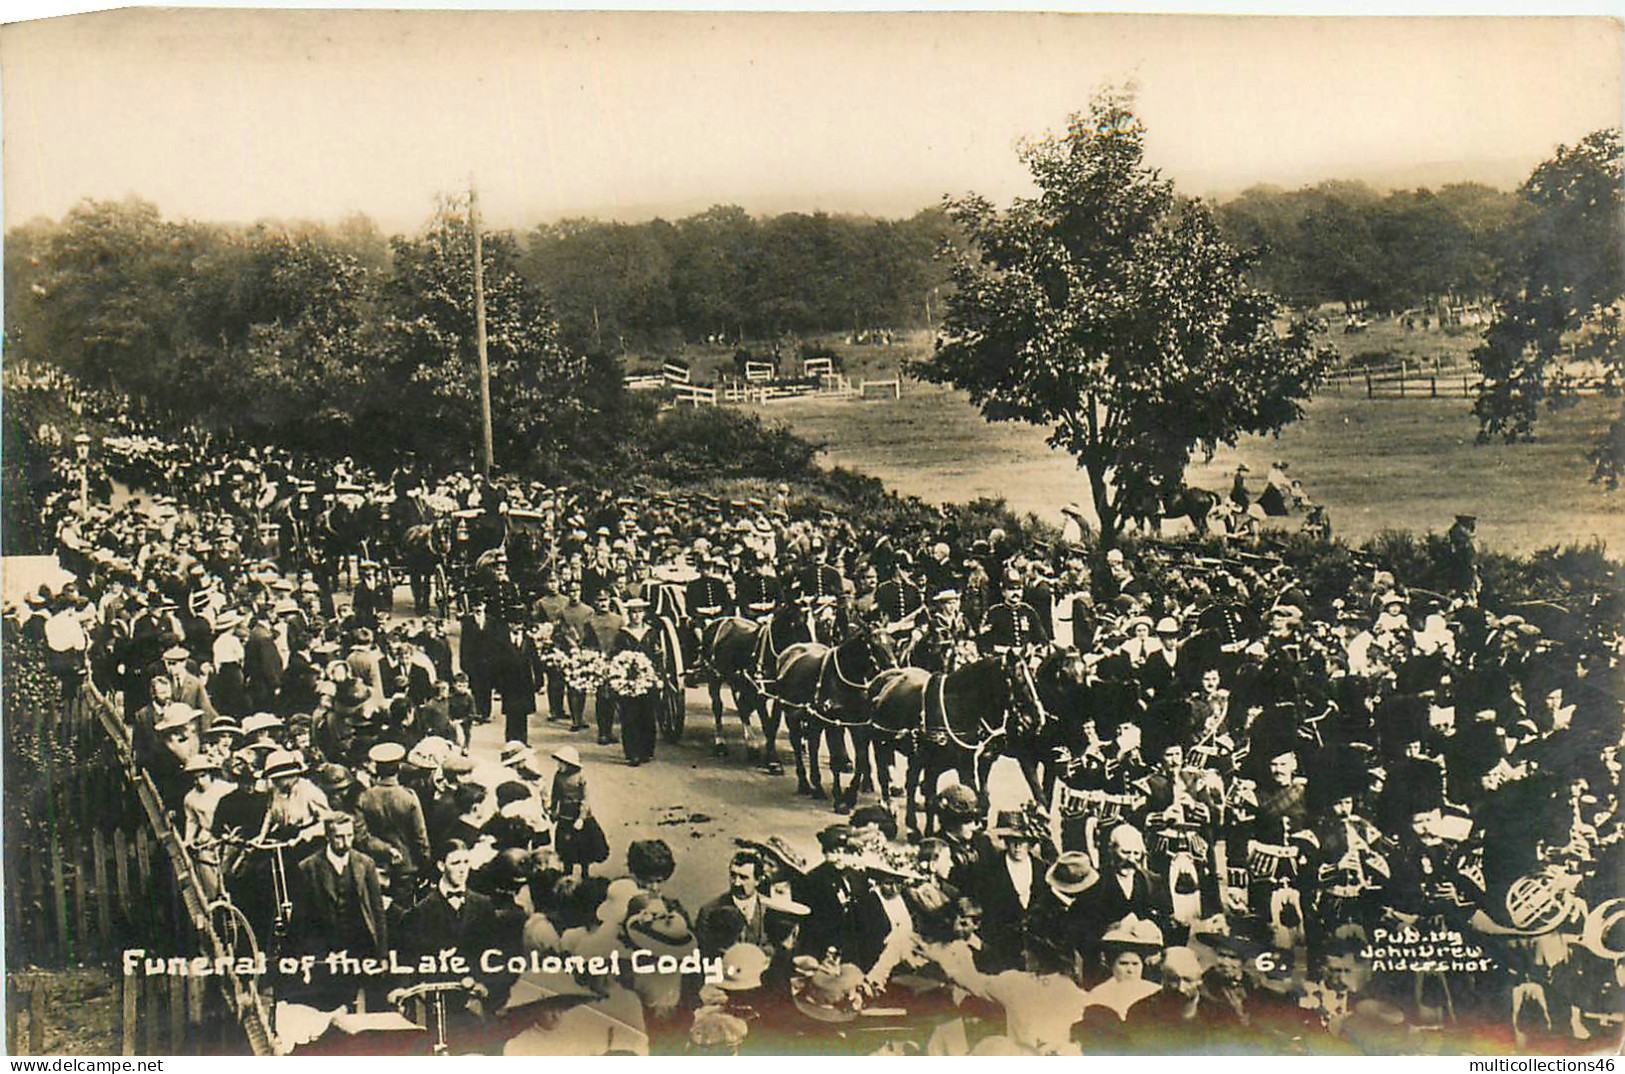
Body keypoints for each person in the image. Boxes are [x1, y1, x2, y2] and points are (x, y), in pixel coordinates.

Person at [293, 813, 387, 1009]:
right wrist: (307, 957)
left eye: (349, 836)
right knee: (330, 1006)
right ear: (327, 836)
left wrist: (382, 954)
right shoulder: (308, 868)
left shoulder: (365, 864)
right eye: (339, 837)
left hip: (359, 947)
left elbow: (378, 912)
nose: (346, 842)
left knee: (366, 1004)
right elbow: (300, 920)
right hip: (325, 951)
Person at [549, 746, 608, 877]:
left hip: (579, 815)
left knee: (583, 845)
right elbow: (555, 794)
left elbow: (585, 799)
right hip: (565, 815)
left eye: (561, 763)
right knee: (565, 845)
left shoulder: (581, 777)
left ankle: (585, 871)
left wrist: (581, 818)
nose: (559, 765)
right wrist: (553, 810)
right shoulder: (558, 776)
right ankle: (567, 870)